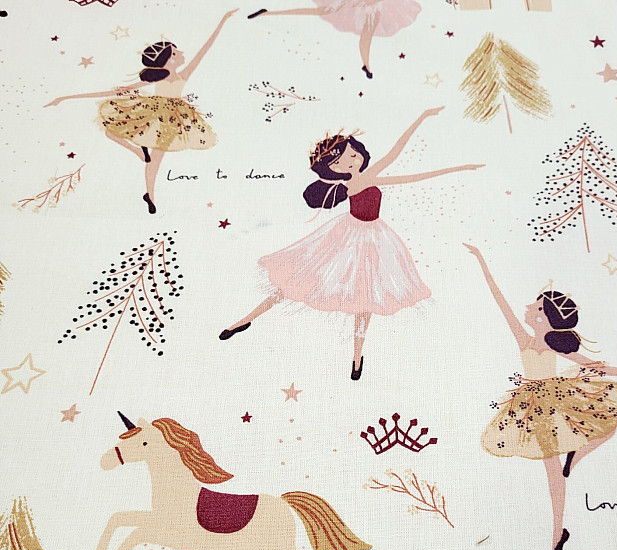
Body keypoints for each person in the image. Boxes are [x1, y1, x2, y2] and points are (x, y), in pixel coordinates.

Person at [220, 107, 484, 381]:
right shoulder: (356, 183)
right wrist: (424, 122)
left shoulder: (367, 178)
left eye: (353, 154)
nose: (351, 161)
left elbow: (408, 171)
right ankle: (246, 320)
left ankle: (357, 356)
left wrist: (450, 157)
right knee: (305, 279)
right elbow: (394, 156)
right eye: (342, 161)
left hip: (374, 238)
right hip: (348, 237)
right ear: (332, 168)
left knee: (363, 295)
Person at [464, 244, 617, 550]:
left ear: (543, 317)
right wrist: (482, 262)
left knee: (606, 425)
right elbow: (500, 300)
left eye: (535, 306)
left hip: (555, 400)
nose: (527, 307)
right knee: (554, 471)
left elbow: (605, 369)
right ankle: (559, 532)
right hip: (535, 409)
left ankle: (574, 460)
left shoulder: (551, 345)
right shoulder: (525, 339)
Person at [44, 11, 238, 213]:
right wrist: (66, 97)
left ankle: (149, 194)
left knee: (149, 155)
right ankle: (139, 156)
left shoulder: (180, 74)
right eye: (176, 52)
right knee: (114, 133)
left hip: (168, 118)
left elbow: (204, 49)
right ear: (170, 59)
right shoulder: (166, 76)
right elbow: (113, 92)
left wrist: (223, 20)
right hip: (159, 114)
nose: (181, 53)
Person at [247, 0, 421, 78]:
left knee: (366, 35)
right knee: (322, 11)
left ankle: (366, 65)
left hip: (367, 7)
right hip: (356, 4)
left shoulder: (376, 11)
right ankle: (268, 13)